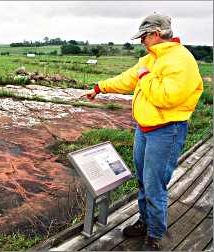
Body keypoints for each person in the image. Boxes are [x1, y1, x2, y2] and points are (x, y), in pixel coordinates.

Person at [81, 13, 203, 250]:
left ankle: (155, 236)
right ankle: (144, 222)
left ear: (156, 34)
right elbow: (128, 79)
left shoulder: (181, 60)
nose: (141, 42)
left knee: (154, 184)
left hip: (167, 131)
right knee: (143, 181)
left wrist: (145, 77)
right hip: (144, 129)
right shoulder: (150, 58)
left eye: (144, 37)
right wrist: (99, 88)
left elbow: (166, 97)